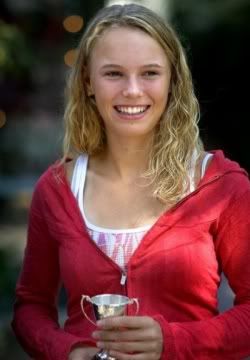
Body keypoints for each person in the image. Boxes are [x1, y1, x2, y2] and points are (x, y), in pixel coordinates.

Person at [12, 3, 250, 360]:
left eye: (150, 73)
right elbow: (30, 307)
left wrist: (172, 343)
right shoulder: (58, 188)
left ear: (172, 81)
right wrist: (70, 351)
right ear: (89, 83)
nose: (133, 90)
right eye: (114, 74)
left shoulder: (220, 184)